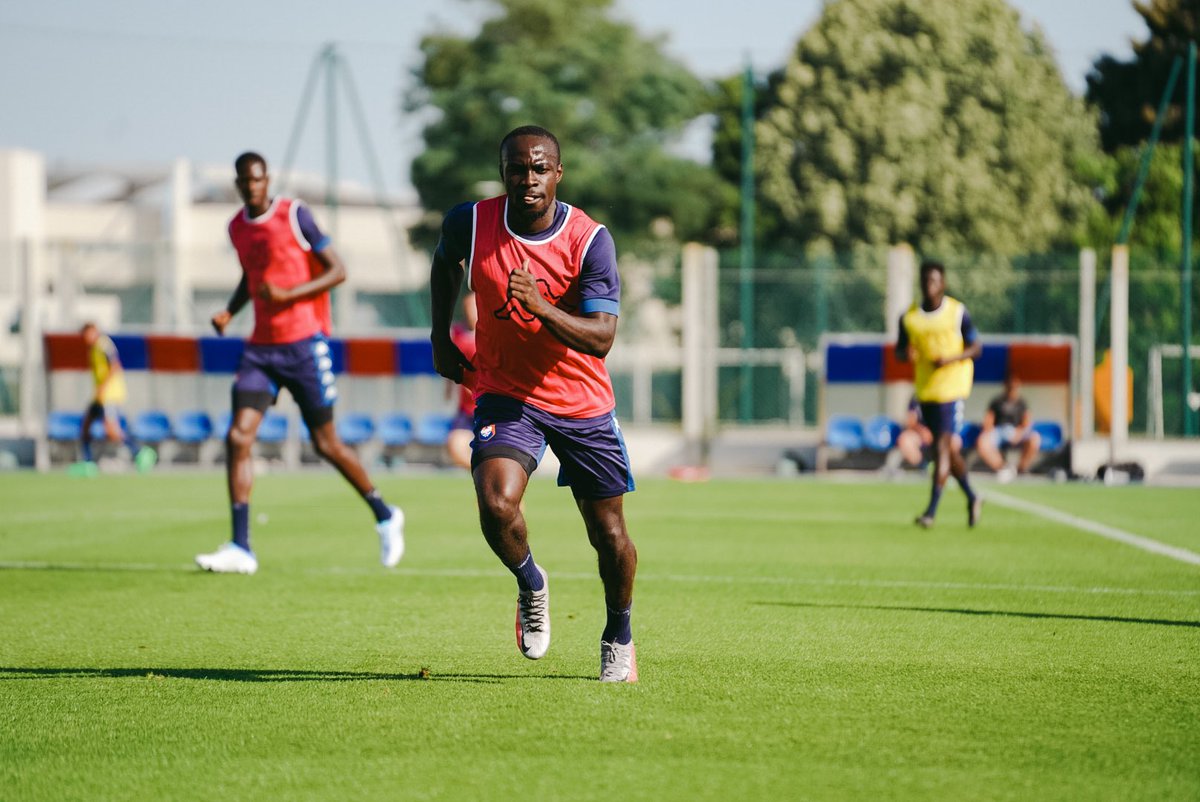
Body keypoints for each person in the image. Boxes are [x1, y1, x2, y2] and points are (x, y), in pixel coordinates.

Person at [429, 125, 639, 682]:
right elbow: (444, 261)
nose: (528, 179)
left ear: (558, 174)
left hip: (581, 402)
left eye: (540, 169)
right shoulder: (470, 224)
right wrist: (439, 335)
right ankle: (531, 583)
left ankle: (618, 631)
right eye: (518, 169)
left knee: (609, 535)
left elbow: (602, 336)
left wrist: (542, 306)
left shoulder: (590, 240)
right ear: (503, 173)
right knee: (496, 504)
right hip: (507, 394)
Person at [194, 151, 404, 576]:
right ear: (238, 184)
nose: (252, 186)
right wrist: (231, 311)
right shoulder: (236, 227)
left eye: (258, 179)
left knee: (326, 444)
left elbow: (338, 270)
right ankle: (241, 547)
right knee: (238, 438)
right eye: (244, 181)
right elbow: (251, 277)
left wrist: (289, 296)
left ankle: (385, 514)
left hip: (304, 344)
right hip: (260, 349)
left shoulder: (295, 216)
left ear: (267, 179)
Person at [895, 260, 983, 528]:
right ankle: (972, 496)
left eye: (934, 281)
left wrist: (952, 359)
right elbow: (899, 350)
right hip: (926, 390)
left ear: (943, 283)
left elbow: (976, 348)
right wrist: (905, 354)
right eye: (925, 281)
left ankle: (931, 511)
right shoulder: (910, 318)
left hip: (953, 388)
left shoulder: (957, 313)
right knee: (941, 449)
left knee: (943, 447)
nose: (930, 286)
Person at [78, 322, 156, 473]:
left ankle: (139, 451)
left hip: (109, 395)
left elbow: (114, 366)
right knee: (86, 425)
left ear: (94, 331)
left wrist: (103, 387)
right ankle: (88, 463)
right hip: (100, 396)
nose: (86, 338)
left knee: (111, 430)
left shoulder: (103, 345)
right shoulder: (93, 348)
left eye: (88, 334)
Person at [976, 373, 1041, 482]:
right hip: (999, 431)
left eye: (1015, 387)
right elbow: (988, 420)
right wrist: (988, 430)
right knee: (982, 442)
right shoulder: (996, 401)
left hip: (1016, 431)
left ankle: (1020, 469)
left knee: (1035, 439)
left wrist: (1019, 433)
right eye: (1010, 386)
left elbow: (1027, 422)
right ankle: (1002, 467)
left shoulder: (1022, 403)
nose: (1012, 389)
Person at [445, 291, 478, 471]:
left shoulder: (492, 334)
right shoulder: (459, 334)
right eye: (468, 308)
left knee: (493, 454)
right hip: (466, 409)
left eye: (474, 307)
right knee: (455, 447)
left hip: (489, 406)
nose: (471, 312)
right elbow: (453, 364)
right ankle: (482, 474)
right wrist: (449, 388)